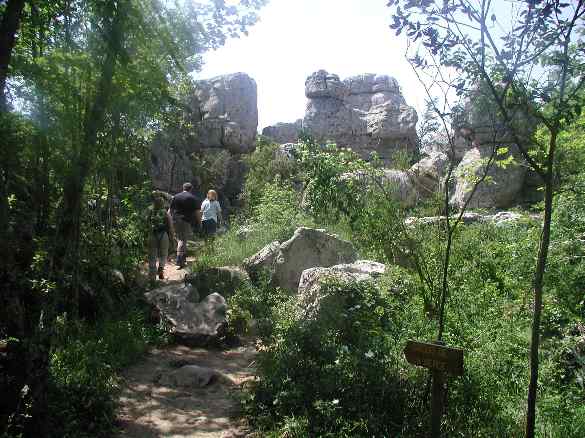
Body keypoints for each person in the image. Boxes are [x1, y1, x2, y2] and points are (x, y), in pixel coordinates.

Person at [169, 182, 201, 269]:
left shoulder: (176, 197)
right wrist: (200, 223)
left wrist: (169, 222)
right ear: (191, 189)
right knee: (182, 240)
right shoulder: (193, 198)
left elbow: (169, 211)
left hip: (175, 221)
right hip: (185, 221)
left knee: (181, 239)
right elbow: (197, 213)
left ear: (183, 188)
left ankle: (183, 259)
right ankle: (179, 260)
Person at [147, 192, 175, 283]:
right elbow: (170, 227)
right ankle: (161, 268)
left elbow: (146, 223)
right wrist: (172, 238)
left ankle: (152, 277)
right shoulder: (166, 213)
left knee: (152, 255)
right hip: (163, 235)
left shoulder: (150, 212)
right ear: (163, 204)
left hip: (152, 234)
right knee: (163, 254)